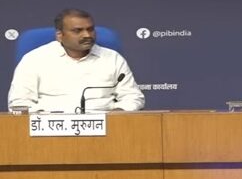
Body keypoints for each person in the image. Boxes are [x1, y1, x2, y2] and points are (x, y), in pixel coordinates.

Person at [8, 8, 145, 113]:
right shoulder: (34, 59)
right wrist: (44, 121)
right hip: (49, 130)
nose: (87, 35)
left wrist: (118, 114)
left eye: (90, 29)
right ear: (60, 35)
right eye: (77, 31)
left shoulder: (112, 58)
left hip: (105, 127)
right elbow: (19, 103)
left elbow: (133, 97)